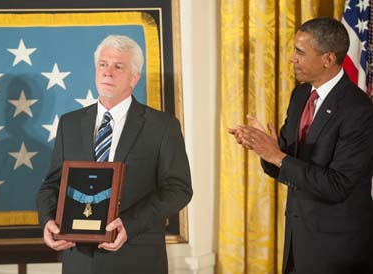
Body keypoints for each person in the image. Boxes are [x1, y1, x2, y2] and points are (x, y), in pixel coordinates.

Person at [36, 34, 193, 274]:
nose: (108, 72)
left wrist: (129, 225)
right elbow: (51, 186)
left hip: (136, 258)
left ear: (135, 77)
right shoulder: (70, 123)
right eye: (103, 64)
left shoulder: (162, 126)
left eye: (118, 66)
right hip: (79, 261)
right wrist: (48, 220)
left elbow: (179, 189)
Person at [228, 17, 373, 274]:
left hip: (338, 253)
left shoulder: (359, 110)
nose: (292, 58)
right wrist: (265, 149)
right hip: (298, 243)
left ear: (328, 59)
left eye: (300, 52)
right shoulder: (300, 96)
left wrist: (278, 156)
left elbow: (337, 185)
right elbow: (286, 167)